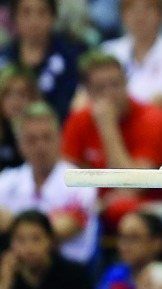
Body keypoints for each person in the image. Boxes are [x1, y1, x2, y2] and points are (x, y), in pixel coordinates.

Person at [61, 52, 162, 221]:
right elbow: (65, 178)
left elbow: (133, 186)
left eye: (116, 84)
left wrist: (108, 127)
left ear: (126, 82)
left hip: (154, 208)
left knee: (121, 207)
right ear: (87, 92)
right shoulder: (79, 120)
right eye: (101, 88)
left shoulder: (153, 119)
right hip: (98, 207)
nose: (110, 93)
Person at [0, 102, 98, 264]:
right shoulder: (6, 180)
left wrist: (11, 221)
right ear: (20, 145)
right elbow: (47, 230)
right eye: (32, 140)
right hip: (17, 270)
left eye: (46, 137)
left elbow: (61, 230)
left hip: (69, 273)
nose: (40, 146)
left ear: (60, 139)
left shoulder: (80, 181)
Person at [0, 0, 80, 122]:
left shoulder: (71, 58)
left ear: (53, 17)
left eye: (42, 12)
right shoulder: (3, 58)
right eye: (26, 12)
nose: (34, 20)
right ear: (14, 18)